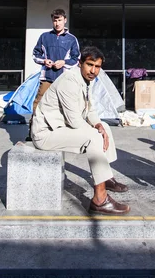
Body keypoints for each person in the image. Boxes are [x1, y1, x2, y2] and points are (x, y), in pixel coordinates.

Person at [31, 46, 130, 215]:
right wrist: (97, 133)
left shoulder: (86, 80)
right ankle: (100, 200)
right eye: (89, 65)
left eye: (97, 67)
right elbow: (76, 122)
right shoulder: (69, 81)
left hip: (61, 128)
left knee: (104, 127)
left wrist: (99, 125)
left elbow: (89, 109)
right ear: (80, 63)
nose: (93, 70)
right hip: (46, 133)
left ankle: (105, 178)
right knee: (94, 137)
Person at [27, 8, 80, 141]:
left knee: (65, 106)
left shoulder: (72, 39)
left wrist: (64, 62)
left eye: (60, 20)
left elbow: (77, 58)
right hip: (47, 78)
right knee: (38, 105)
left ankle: (66, 135)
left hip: (64, 79)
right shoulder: (44, 37)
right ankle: (33, 133)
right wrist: (44, 61)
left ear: (65, 20)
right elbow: (35, 55)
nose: (57, 23)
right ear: (52, 21)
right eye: (55, 20)